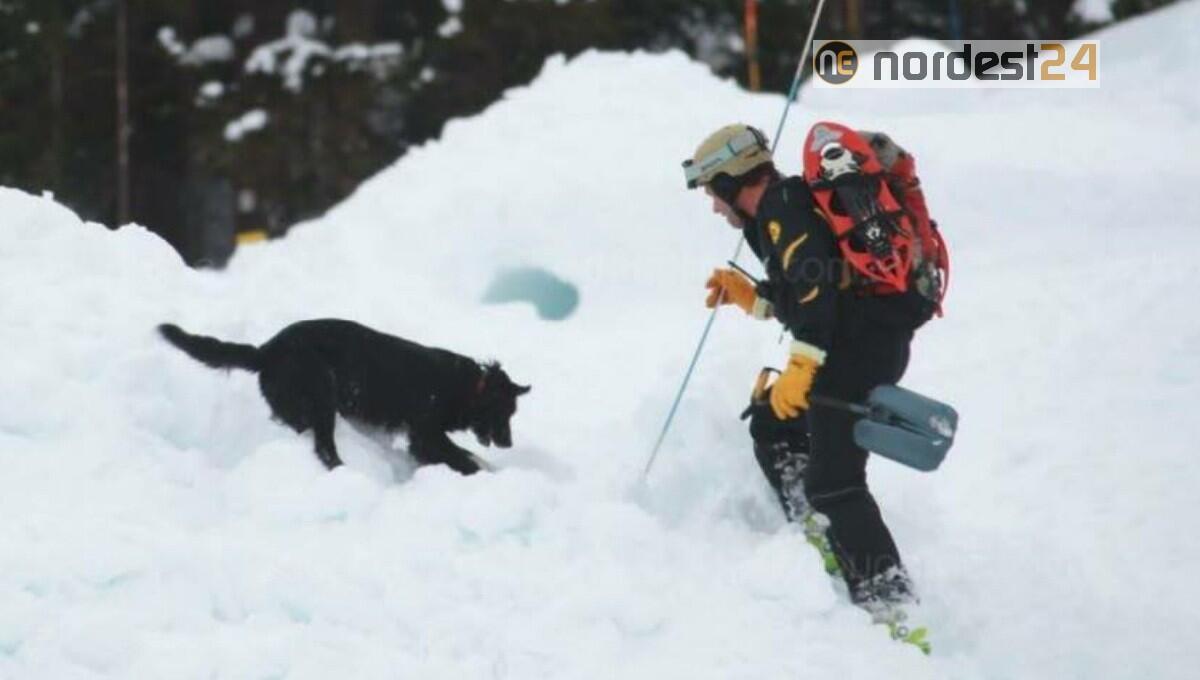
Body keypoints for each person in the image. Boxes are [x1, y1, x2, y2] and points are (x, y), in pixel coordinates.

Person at [683, 123, 937, 616]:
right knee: (773, 425)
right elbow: (810, 290)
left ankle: (892, 603)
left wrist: (801, 366)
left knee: (836, 481)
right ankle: (814, 524)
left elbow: (817, 301)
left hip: (856, 353)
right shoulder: (783, 210)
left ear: (734, 183)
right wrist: (752, 297)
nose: (715, 206)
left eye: (715, 192)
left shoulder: (782, 209)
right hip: (861, 345)